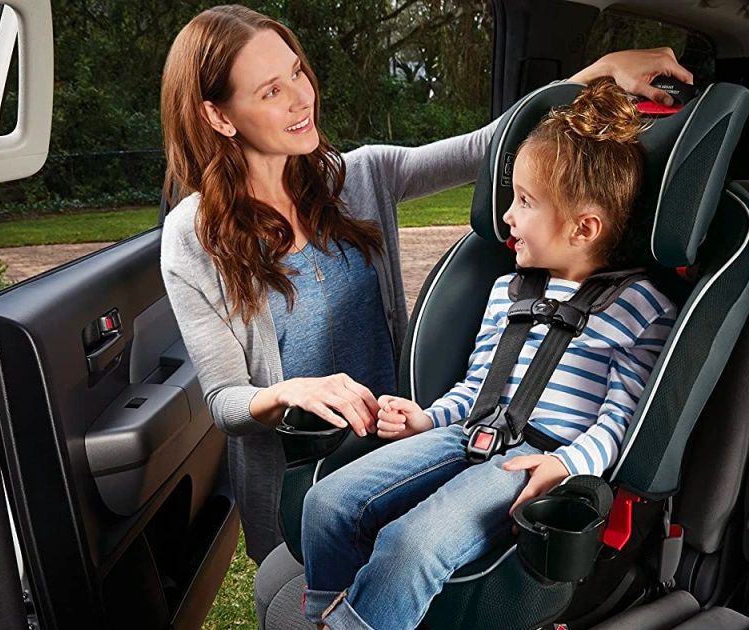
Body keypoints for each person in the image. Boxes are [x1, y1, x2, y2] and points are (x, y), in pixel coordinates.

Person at [158, 3, 694, 564]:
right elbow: (224, 400)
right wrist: (289, 391)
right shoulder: (192, 239)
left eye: (297, 72)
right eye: (270, 91)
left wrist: (597, 72)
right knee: (295, 584)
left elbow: (488, 144)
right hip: (298, 468)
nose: (301, 97)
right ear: (219, 117)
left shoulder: (362, 177)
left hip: (399, 438)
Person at [299, 79, 677, 630]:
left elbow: (623, 421)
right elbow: (478, 388)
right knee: (326, 505)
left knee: (413, 544)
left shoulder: (639, 306)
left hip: (534, 461)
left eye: (525, 202)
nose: (507, 216)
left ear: (584, 227)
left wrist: (568, 465)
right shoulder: (509, 290)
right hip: (466, 432)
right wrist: (429, 418)